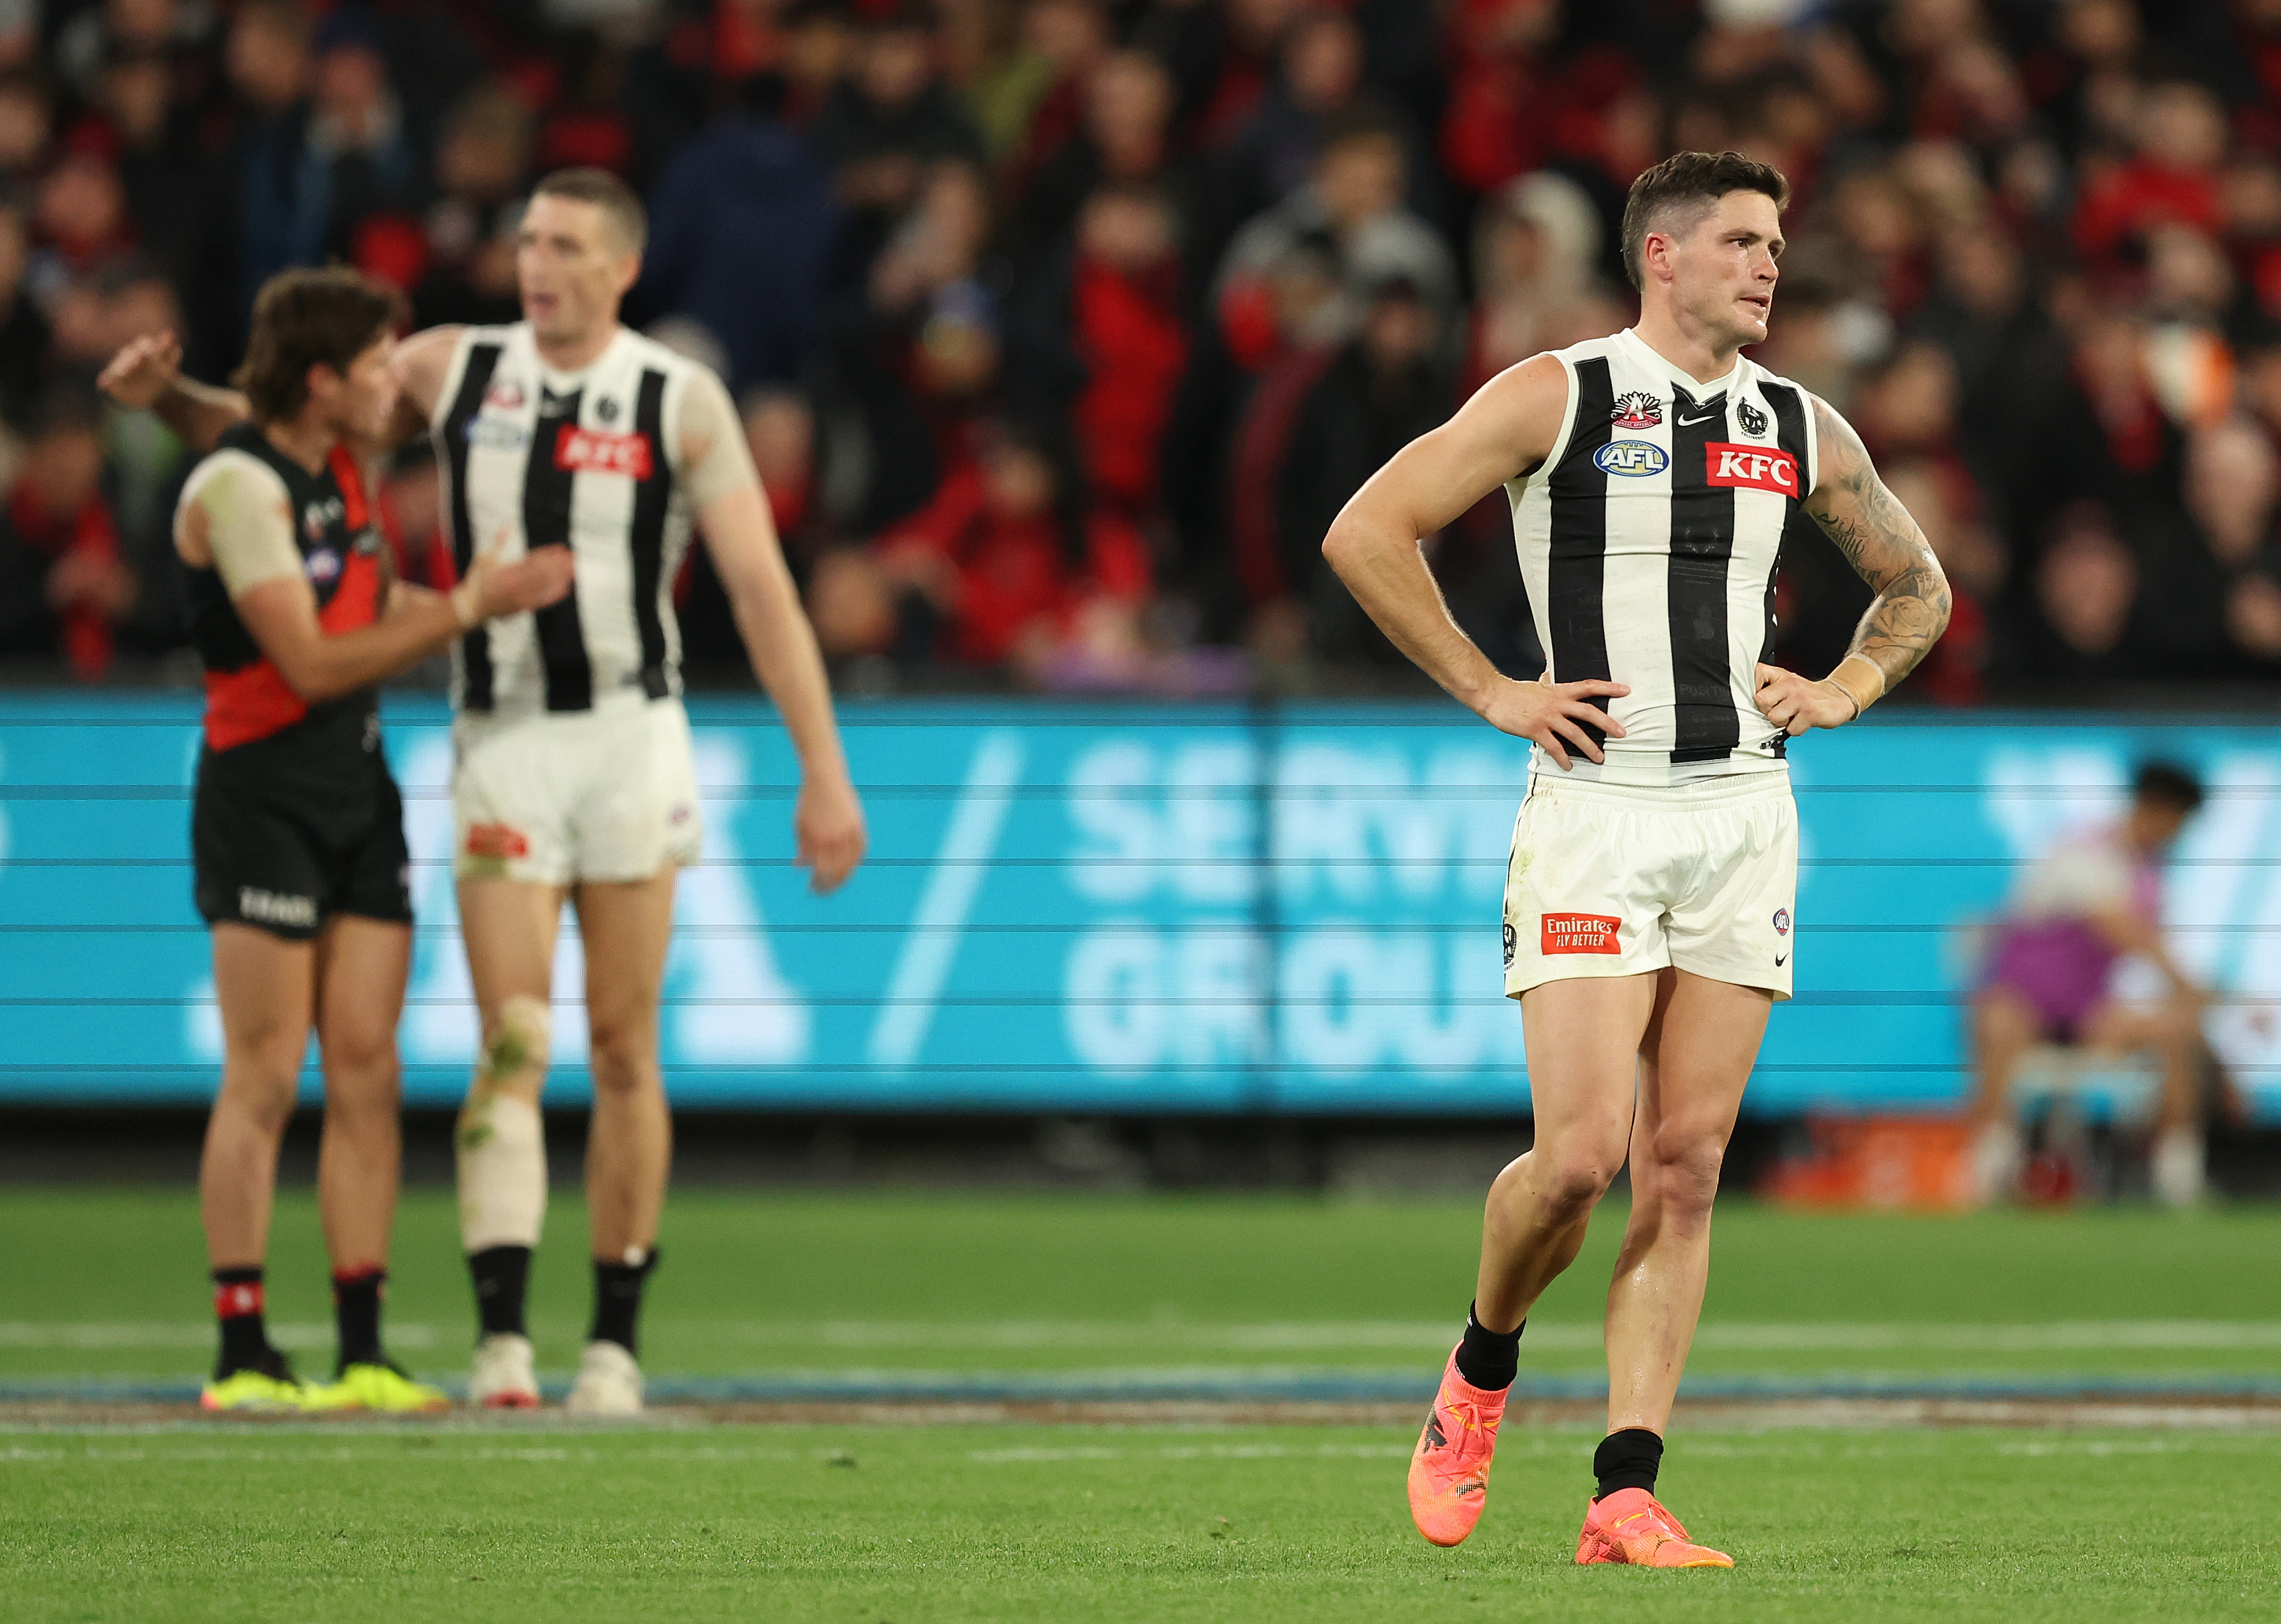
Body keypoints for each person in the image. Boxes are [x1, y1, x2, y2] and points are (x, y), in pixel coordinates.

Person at [104, 168, 870, 1415]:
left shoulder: (678, 399)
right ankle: (504, 1341)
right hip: (502, 734)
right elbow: (284, 439)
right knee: (510, 1037)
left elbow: (762, 591)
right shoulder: (452, 365)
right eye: (526, 240)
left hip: (633, 733)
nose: (536, 262)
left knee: (626, 1050)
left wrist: (821, 770)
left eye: (564, 244)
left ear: (620, 268)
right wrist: (172, 401)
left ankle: (614, 1343)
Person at [1318, 151, 1950, 1566]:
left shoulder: (1799, 422)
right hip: (1600, 811)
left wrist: (1839, 689)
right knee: (1580, 1156)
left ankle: (1626, 1484)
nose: (1767, 264)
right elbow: (1368, 529)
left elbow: (1919, 585)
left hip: (1743, 815)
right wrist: (1493, 687)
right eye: (1740, 240)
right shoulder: (1562, 392)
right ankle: (1481, 1366)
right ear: (1659, 255)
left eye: (1777, 244)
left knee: (1687, 1163)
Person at [162, 266, 571, 1412]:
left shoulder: (340, 465)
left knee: (369, 1070)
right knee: (262, 1074)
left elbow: (368, 612)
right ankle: (242, 1345)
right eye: (378, 364)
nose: (395, 383)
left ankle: (361, 1346)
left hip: (356, 786)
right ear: (323, 379)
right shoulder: (238, 490)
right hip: (263, 792)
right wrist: (466, 607)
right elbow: (308, 663)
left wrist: (468, 618)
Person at [1967, 761, 2211, 1207]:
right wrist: (2188, 987)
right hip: (2025, 997)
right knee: (1998, 1023)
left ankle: (2178, 1176)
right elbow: (2118, 929)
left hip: (2085, 1006)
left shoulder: (2149, 873)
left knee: (2171, 1035)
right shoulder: (2083, 850)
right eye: (2178, 822)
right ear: (2158, 810)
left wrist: (2189, 1004)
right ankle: (1987, 1170)